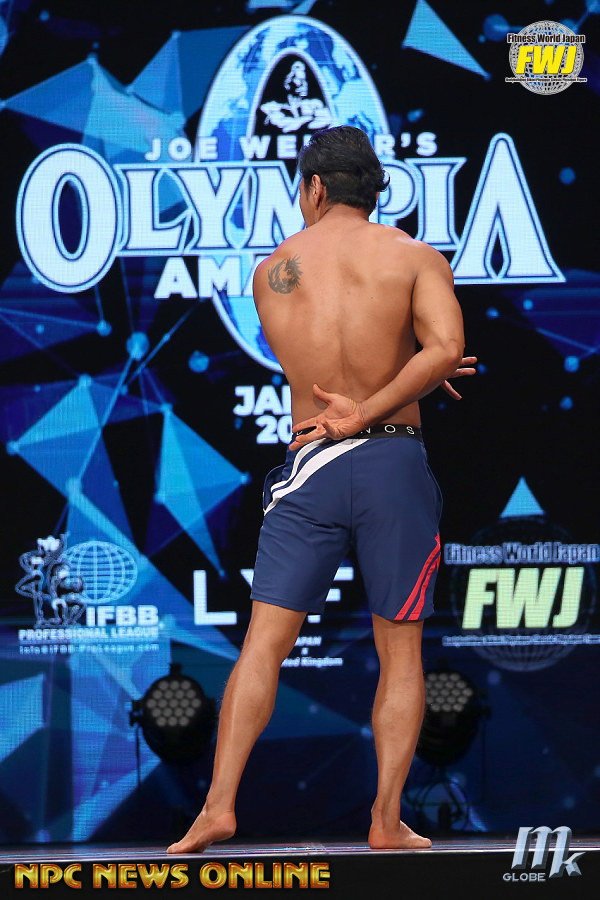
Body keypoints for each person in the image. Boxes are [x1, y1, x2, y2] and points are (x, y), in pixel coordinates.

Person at [168, 125, 476, 854]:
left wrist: (396, 375)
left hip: (309, 465)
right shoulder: (415, 257)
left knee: (263, 645)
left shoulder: (272, 270)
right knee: (400, 648)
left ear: (313, 187)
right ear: (376, 190)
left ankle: (217, 807)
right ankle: (385, 821)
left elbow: (329, 347)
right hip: (392, 462)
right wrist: (404, 381)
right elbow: (444, 349)